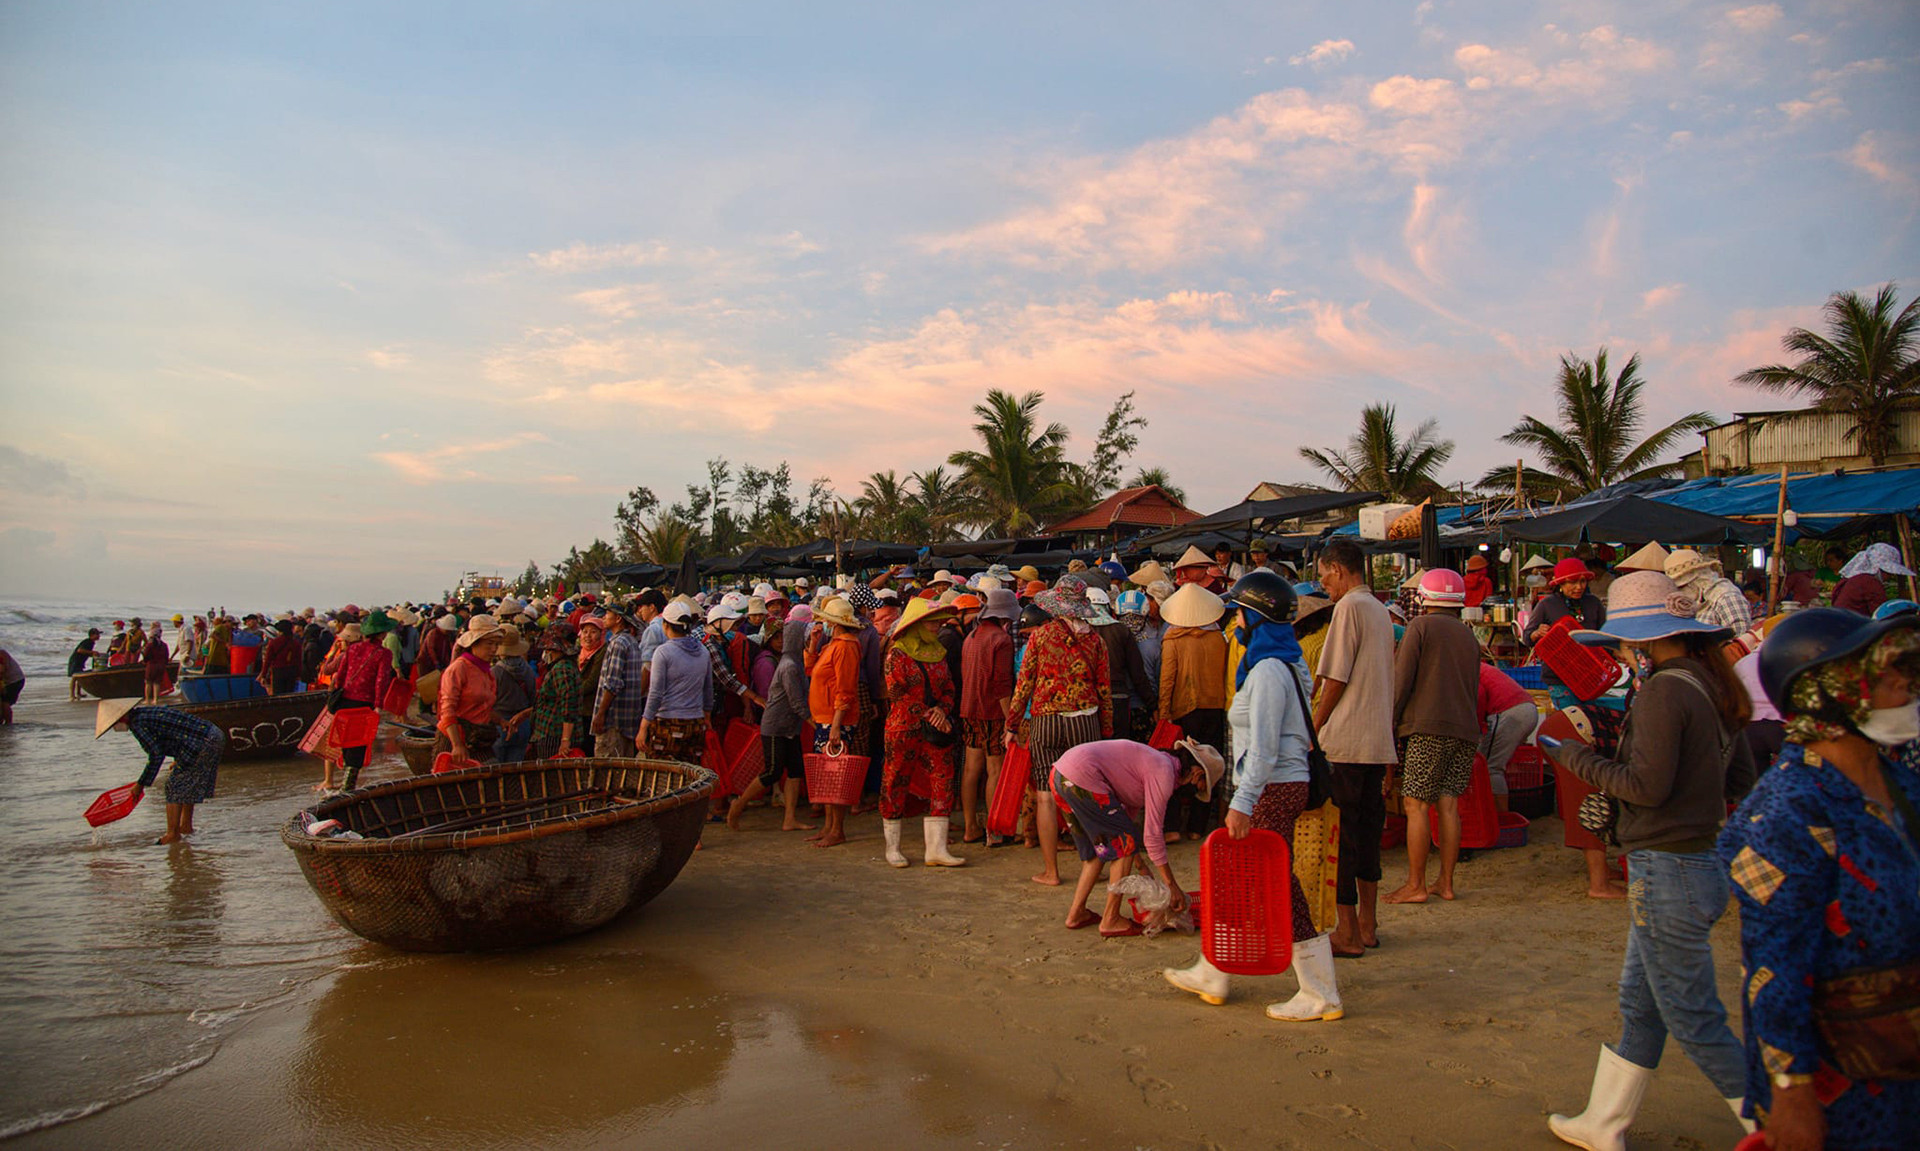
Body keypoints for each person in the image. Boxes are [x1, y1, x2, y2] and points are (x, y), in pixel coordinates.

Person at [1541, 570, 1757, 1151]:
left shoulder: (1666, 689)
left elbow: (1646, 785)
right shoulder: (1711, 685)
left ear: (1644, 638)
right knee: (1643, 1002)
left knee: (1692, 1014)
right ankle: (1603, 1122)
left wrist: (1575, 757)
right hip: (1695, 860)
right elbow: (1738, 777)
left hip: (1669, 867)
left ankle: (1775, 1125)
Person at [1718, 608, 1920, 1148]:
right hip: (1841, 1081)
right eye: (1884, 672)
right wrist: (1793, 1093)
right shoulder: (1782, 815)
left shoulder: (1901, 781)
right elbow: (1773, 968)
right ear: (1828, 692)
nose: (1905, 681)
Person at [1163, 569, 1347, 1021]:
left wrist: (1243, 803)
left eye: (1239, 614)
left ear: (1255, 616)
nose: (1235, 622)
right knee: (1249, 880)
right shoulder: (1286, 661)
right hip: (1281, 782)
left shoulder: (1266, 670)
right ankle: (1216, 970)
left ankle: (1319, 992)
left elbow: (1263, 748)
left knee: (1271, 883)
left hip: (1272, 786)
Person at [1313, 539, 1397, 957]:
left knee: (1343, 840)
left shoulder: (1349, 608)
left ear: (1338, 570)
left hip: (1347, 742)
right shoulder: (1379, 609)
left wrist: (1315, 724)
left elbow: (1336, 679)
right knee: (1366, 835)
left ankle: (1347, 932)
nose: (1323, 582)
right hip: (1375, 741)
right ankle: (1368, 923)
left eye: (1324, 574)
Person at [1005, 576, 1113, 887]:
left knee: (1045, 796)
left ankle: (1051, 871)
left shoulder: (1039, 637)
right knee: (1089, 796)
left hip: (1045, 721)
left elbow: (1023, 684)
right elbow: (1103, 690)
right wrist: (1106, 731)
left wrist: (1012, 724)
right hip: (1085, 720)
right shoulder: (1096, 641)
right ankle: (1097, 861)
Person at [1385, 569, 1482, 905]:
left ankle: (1416, 884)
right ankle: (1447, 883)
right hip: (1465, 729)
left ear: (1424, 599)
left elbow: (1401, 681)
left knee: (1416, 805)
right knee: (1449, 805)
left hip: (1427, 728)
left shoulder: (1420, 627)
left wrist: (1390, 722)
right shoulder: (1469, 636)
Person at [1051, 737, 1214, 936]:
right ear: (1196, 773)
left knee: (1100, 850)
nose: (1197, 790)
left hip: (1061, 775)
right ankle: (1110, 919)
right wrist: (1172, 886)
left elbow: (1125, 819)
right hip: (1082, 776)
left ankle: (1076, 914)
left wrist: (1142, 865)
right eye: (1200, 785)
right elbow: (1151, 836)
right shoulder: (1163, 772)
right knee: (1124, 845)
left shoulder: (1155, 762)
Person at [881, 597, 965, 868]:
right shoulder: (898, 653)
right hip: (903, 728)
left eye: (938, 621)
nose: (937, 626)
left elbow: (950, 688)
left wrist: (942, 709)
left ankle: (936, 849)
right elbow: (896, 693)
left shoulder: (938, 651)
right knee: (895, 781)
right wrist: (931, 713)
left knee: (943, 778)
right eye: (932, 622)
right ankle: (892, 848)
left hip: (935, 728)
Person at [96, 699, 225, 844]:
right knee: (185, 782)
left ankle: (172, 834)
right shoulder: (145, 713)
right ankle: (185, 826)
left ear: (121, 718)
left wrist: (140, 785)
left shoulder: (138, 724)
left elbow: (156, 755)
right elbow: (176, 731)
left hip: (204, 742)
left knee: (173, 786)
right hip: (213, 735)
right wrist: (178, 758)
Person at [1157, 582, 1229, 841]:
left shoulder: (1173, 639)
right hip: (1215, 707)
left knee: (1177, 767)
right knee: (1209, 767)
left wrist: (1164, 712)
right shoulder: (1219, 638)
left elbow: (1167, 680)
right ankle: (1198, 827)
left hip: (1183, 709)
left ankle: (1173, 827)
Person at [728, 618, 815, 832]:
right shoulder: (789, 666)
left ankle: (790, 819)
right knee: (773, 772)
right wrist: (814, 722)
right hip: (776, 725)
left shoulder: (792, 661)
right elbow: (796, 702)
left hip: (788, 725)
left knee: (795, 771)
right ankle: (738, 805)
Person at [806, 596, 868, 849]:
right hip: (827, 718)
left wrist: (835, 724)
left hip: (835, 720)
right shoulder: (834, 644)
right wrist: (813, 643)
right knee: (828, 775)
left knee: (835, 775)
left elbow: (845, 689)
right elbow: (811, 669)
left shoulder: (845, 647)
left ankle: (837, 828)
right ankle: (830, 826)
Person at [959, 588, 1017, 846]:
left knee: (972, 769)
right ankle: (993, 831)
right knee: (994, 769)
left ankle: (970, 827)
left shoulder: (971, 636)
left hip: (969, 708)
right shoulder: (1001, 641)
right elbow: (1002, 686)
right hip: (992, 711)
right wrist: (1011, 721)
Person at [638, 601, 715, 767]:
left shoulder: (663, 652)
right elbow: (708, 690)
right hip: (695, 723)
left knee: (663, 778)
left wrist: (643, 726)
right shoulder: (703, 651)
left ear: (666, 625)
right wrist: (706, 717)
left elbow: (655, 694)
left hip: (667, 723)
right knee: (690, 778)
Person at [1528, 557, 1609, 704]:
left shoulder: (1594, 603)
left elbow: (1605, 634)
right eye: (1573, 582)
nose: (1579, 587)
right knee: (1569, 721)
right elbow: (1527, 637)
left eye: (1583, 581)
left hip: (1590, 674)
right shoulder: (1546, 605)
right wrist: (1537, 633)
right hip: (1558, 676)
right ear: (1561, 583)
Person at [434, 615, 502, 770]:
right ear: (474, 644)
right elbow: (447, 710)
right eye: (489, 644)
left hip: (478, 737)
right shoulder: (458, 669)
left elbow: (480, 706)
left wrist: (500, 721)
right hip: (453, 738)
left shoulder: (486, 671)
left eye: (496, 645)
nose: (494, 650)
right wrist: (457, 745)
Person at [1478, 662, 1539, 815]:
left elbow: (1478, 699)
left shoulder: (1467, 669)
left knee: (1489, 767)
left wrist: (1479, 731)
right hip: (1527, 708)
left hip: (1509, 712)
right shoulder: (1479, 666)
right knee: (1495, 764)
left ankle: (1501, 817)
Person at [590, 605, 647, 758]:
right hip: (627, 720)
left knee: (606, 772)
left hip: (613, 720)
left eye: (607, 613)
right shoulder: (630, 641)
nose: (604, 617)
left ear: (618, 618)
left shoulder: (618, 643)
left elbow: (613, 683)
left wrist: (601, 713)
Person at [1664, 549, 1751, 635]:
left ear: (1697, 580)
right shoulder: (1694, 602)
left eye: (1682, 587)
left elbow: (1740, 640)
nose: (1680, 592)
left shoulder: (1727, 597)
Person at [490, 625, 536, 763]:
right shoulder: (527, 669)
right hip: (522, 724)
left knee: (496, 770)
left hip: (500, 723)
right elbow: (533, 698)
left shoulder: (494, 673)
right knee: (515, 772)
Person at [529, 629, 578, 760]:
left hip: (554, 734)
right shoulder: (562, 666)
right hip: (549, 732)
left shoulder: (562, 669)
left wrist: (565, 739)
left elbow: (569, 704)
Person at [1832, 542, 1912, 616]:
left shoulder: (1854, 579)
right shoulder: (1870, 583)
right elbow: (1882, 615)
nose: (1890, 576)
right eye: (1889, 573)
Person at [572, 612, 607, 754]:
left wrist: (571, 692)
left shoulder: (601, 653)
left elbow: (592, 682)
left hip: (590, 710)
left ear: (601, 634)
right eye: (585, 632)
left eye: (593, 632)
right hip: (578, 709)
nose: (588, 636)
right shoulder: (578, 654)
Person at [259, 619, 300, 695]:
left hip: (278, 671)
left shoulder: (274, 642)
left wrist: (263, 675)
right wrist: (298, 674)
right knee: (289, 694)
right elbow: (298, 660)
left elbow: (268, 660)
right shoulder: (295, 643)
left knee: (277, 694)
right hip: (291, 671)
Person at [69, 628, 101, 700]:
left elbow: (85, 652)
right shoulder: (88, 641)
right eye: (97, 634)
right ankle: (72, 695)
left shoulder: (91, 642)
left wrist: (92, 654)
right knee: (74, 678)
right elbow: (80, 650)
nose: (99, 636)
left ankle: (78, 693)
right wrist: (92, 653)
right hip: (75, 661)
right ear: (92, 635)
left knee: (79, 677)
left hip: (80, 661)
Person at [0, 645, 23, 724]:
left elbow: (2, 670)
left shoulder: (1, 653)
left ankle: (8, 723)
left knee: (5, 702)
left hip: (14, 680)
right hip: (7, 680)